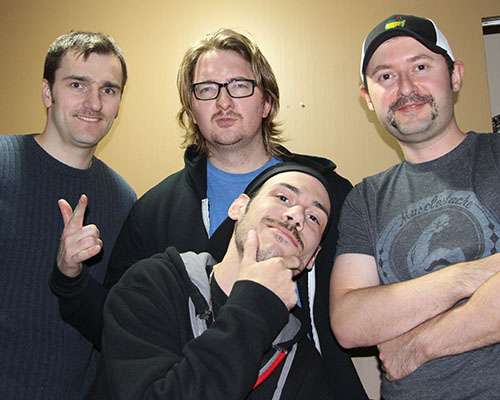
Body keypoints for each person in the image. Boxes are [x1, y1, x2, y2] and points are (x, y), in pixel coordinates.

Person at [50, 28, 367, 398]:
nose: (224, 101)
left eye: (240, 85)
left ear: (266, 103)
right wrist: (71, 280)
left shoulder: (330, 197)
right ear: (192, 109)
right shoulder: (154, 211)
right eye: (207, 89)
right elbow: (120, 330)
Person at [330, 14, 500, 399]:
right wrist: (468, 276)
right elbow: (349, 322)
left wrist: (418, 345)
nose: (405, 87)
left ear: (455, 76)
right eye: (386, 76)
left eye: (421, 67)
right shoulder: (365, 199)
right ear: (368, 98)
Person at [0, 31, 136, 399]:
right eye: (77, 84)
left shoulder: (125, 201)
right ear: (47, 93)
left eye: (108, 90)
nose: (94, 102)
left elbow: (112, 327)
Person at [87, 163, 339, 399]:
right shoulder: (151, 285)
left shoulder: (302, 365)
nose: (296, 215)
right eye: (283, 198)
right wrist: (257, 305)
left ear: (312, 258)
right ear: (239, 207)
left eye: (314, 218)